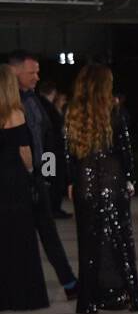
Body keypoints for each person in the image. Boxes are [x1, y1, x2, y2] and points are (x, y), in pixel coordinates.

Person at [63, 64, 138, 314]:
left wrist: (70, 182)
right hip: (113, 178)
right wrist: (130, 178)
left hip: (85, 180)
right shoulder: (115, 110)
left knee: (88, 241)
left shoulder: (71, 111)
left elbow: (66, 154)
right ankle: (126, 293)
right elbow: (125, 148)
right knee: (119, 237)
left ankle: (89, 299)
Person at [7, 51, 77, 300]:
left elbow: (47, 140)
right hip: (15, 179)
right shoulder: (10, 105)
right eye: (32, 72)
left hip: (35, 176)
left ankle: (69, 283)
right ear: (15, 72)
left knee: (47, 229)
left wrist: (47, 175)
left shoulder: (34, 100)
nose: (37, 77)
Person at [0, 65, 48, 310]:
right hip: (14, 182)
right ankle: (24, 296)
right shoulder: (15, 115)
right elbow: (25, 153)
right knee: (21, 239)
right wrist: (31, 174)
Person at [36, 80, 70, 218]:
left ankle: (52, 207)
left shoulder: (43, 105)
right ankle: (51, 208)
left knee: (51, 178)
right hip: (51, 151)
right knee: (52, 179)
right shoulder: (47, 107)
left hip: (49, 151)